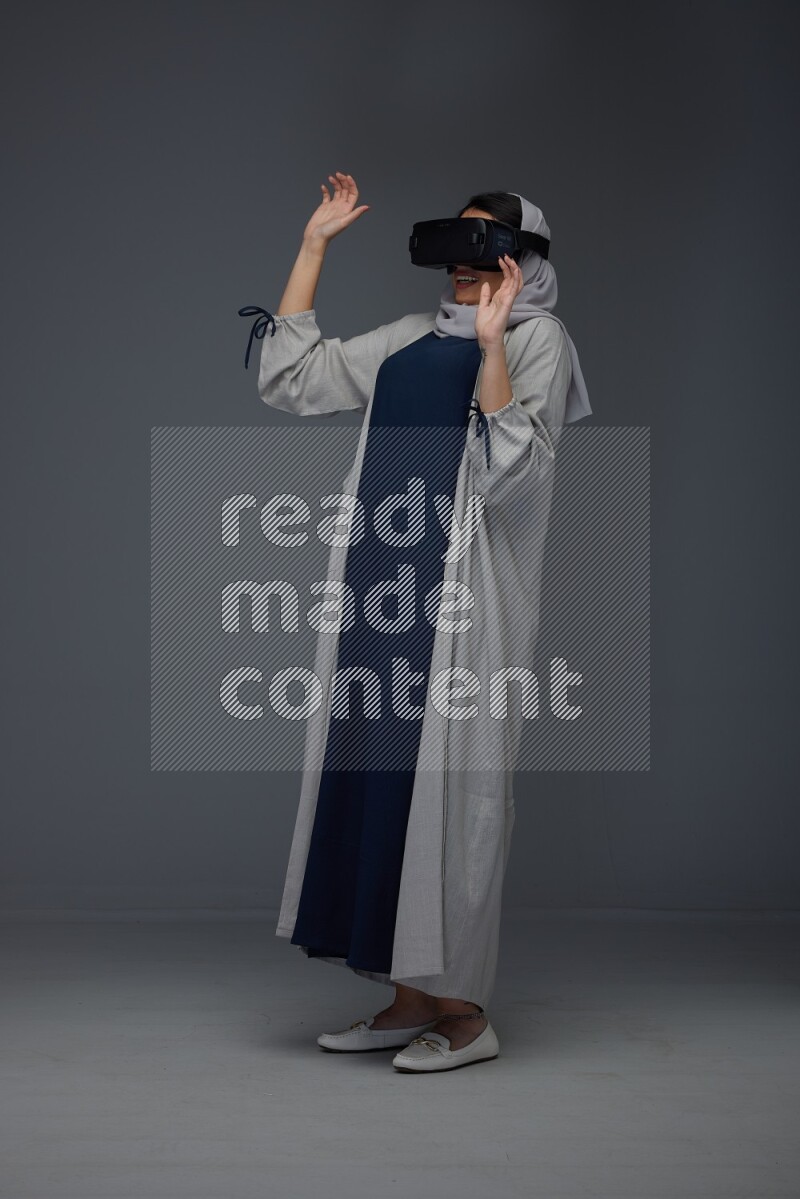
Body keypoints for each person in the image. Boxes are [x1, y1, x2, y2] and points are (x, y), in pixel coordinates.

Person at [244, 172, 592, 1073]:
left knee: (458, 796)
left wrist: (491, 347)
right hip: (378, 594)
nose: (464, 264)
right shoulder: (406, 338)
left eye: (485, 246)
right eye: (456, 243)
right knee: (379, 787)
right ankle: (404, 997)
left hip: (464, 605)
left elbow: (518, 474)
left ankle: (466, 1012)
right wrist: (314, 246)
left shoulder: (538, 339)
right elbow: (292, 380)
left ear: (522, 262)